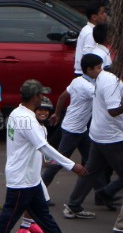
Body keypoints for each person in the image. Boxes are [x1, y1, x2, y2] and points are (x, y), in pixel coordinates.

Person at [0, 80, 90, 233]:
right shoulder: (28, 120)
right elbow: (45, 147)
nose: (43, 98)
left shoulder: (18, 113)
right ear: (34, 97)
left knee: (43, 216)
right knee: (9, 217)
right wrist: (71, 165)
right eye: (41, 95)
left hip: (29, 178)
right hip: (22, 178)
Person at [63, 66, 123, 226]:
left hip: (100, 133)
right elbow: (113, 111)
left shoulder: (103, 77)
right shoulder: (112, 83)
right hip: (111, 137)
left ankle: (73, 204)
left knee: (90, 171)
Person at [44, 54, 102, 187]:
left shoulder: (77, 81)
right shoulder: (89, 88)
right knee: (58, 162)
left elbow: (62, 97)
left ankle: (102, 193)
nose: (101, 71)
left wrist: (57, 114)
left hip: (78, 129)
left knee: (92, 161)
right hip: (73, 131)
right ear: (89, 70)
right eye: (98, 68)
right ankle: (39, 193)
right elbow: (104, 102)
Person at [73, 1, 106, 75]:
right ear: (94, 16)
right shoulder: (90, 33)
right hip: (86, 74)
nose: (105, 15)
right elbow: (88, 55)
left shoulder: (87, 29)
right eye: (102, 13)